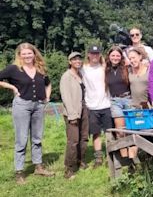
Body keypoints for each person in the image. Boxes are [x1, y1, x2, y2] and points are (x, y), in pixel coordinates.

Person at [0, 42, 54, 184]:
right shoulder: (14, 69)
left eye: (29, 53)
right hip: (22, 105)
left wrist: (47, 97)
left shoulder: (40, 68)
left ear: (34, 53)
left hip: (38, 106)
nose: (27, 56)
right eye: (24, 54)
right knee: (21, 139)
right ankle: (19, 171)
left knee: (37, 137)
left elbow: (48, 84)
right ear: (19, 55)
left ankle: (38, 166)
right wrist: (12, 87)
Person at [81, 44, 112, 168]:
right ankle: (98, 158)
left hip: (106, 104)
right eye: (92, 53)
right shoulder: (83, 69)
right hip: (92, 106)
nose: (95, 56)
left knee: (110, 132)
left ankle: (111, 155)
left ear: (100, 55)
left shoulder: (105, 68)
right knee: (96, 133)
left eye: (97, 53)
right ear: (88, 54)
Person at [60, 51, 89, 179]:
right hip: (72, 111)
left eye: (79, 59)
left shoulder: (80, 75)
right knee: (73, 140)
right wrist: (72, 115)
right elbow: (66, 97)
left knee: (84, 137)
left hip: (83, 108)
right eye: (74, 59)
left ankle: (80, 160)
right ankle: (69, 168)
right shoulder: (67, 76)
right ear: (70, 62)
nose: (77, 61)